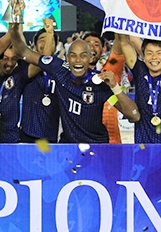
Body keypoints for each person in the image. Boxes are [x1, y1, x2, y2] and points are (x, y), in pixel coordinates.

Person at [10, 23, 140, 143]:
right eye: (73, 55)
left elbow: (134, 116)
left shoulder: (100, 84)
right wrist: (15, 24)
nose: (78, 60)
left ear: (90, 58)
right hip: (68, 147)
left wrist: (115, 87)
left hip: (96, 146)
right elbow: (24, 51)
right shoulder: (59, 69)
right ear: (67, 58)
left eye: (83, 55)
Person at [19, 22, 59, 143]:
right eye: (42, 39)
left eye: (50, 40)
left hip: (52, 136)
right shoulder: (27, 67)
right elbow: (44, 60)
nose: (46, 43)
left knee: (49, 161)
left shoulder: (62, 69)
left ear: (56, 46)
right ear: (34, 45)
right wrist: (50, 33)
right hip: (29, 135)